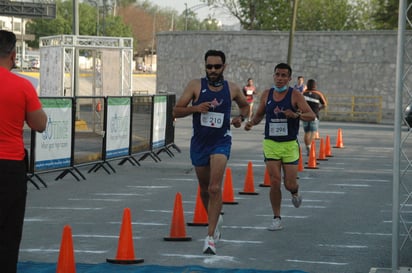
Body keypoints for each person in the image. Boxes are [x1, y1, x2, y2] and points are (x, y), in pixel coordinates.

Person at [173, 49, 249, 255]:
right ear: (205, 66)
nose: (213, 70)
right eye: (209, 66)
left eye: (217, 66)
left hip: (221, 143)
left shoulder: (231, 88)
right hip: (199, 144)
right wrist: (195, 108)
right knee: (205, 190)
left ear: (224, 66)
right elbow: (176, 110)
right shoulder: (195, 85)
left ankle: (209, 237)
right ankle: (216, 217)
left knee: (215, 188)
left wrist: (240, 119)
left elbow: (245, 107)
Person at [244, 63, 315, 231]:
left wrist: (296, 114)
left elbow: (311, 115)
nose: (280, 78)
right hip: (271, 143)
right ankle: (277, 218)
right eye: (278, 75)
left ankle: (295, 192)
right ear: (274, 76)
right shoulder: (267, 94)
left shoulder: (295, 95)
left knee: (289, 184)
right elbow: (260, 113)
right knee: (274, 182)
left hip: (289, 144)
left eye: (284, 76)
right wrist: (251, 123)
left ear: (289, 79)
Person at [0, 30, 47, 273]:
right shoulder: (22, 85)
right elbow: (39, 124)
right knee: (8, 231)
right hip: (9, 165)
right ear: (13, 54)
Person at [302, 79, 328, 155]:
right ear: (315, 85)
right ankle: (309, 145)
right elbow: (325, 104)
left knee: (307, 132)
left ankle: (307, 146)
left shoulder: (303, 94)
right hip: (314, 116)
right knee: (313, 132)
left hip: (305, 115)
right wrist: (319, 108)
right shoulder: (318, 94)